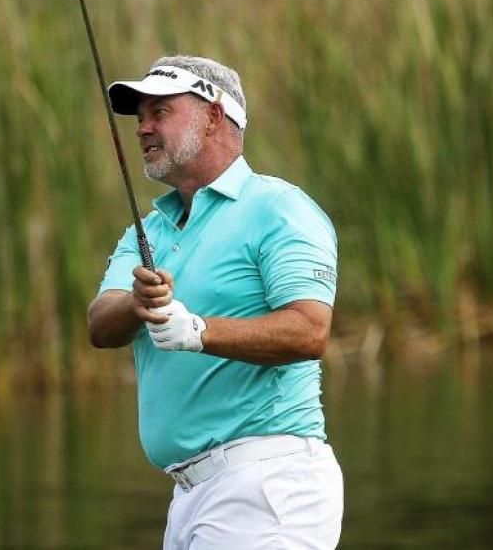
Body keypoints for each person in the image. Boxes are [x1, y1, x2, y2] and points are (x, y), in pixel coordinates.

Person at [88, 55, 343, 549]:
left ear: (214, 114)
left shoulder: (279, 208)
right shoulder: (148, 230)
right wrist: (136, 303)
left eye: (159, 112)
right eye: (140, 118)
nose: (143, 129)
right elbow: (101, 326)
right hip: (188, 495)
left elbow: (310, 332)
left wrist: (197, 331)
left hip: (268, 480)